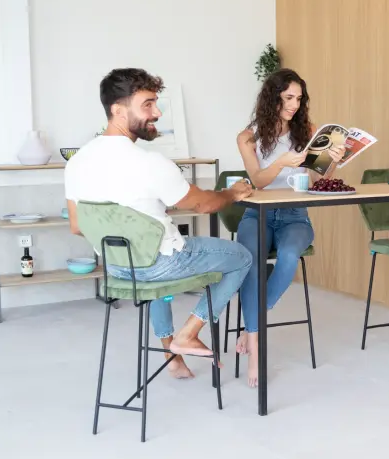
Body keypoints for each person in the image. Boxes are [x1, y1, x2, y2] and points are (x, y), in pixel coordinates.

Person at [64, 68, 254, 379]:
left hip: (116, 267)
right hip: (158, 263)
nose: (158, 112)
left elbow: (76, 225)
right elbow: (205, 204)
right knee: (242, 256)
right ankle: (188, 333)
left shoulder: (78, 161)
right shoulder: (149, 162)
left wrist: (130, 229)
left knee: (153, 274)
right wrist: (233, 192)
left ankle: (173, 359)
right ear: (118, 110)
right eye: (148, 104)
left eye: (157, 103)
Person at [235, 68, 345, 387]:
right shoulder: (249, 136)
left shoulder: (308, 130)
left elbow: (318, 176)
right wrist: (281, 162)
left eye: (298, 98)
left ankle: (252, 325)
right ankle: (256, 351)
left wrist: (333, 158)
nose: (295, 104)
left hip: (295, 214)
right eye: (288, 98)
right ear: (273, 97)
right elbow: (257, 180)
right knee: (252, 264)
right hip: (257, 212)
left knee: (288, 256)